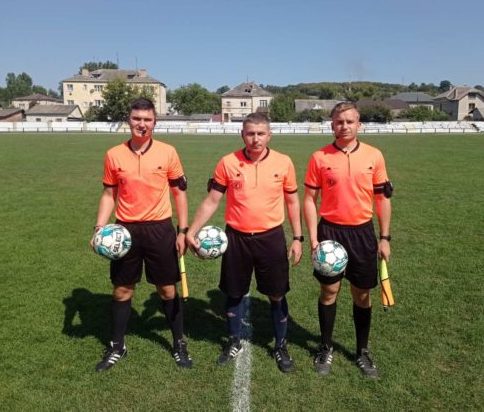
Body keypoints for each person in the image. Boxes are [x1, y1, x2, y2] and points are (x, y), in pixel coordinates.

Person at [185, 112, 303, 373]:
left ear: (269, 135)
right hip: (236, 238)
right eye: (250, 133)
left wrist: (297, 238)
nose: (255, 139)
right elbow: (212, 200)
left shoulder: (284, 162)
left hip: (271, 237)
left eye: (261, 134)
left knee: (276, 293)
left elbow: (293, 202)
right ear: (242, 135)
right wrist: (192, 230)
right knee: (234, 292)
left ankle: (281, 345)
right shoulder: (228, 162)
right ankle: (233, 340)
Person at [91, 97, 192, 372]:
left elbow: (179, 194)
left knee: (167, 289)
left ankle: (179, 343)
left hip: (160, 229)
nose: (142, 124)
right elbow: (109, 194)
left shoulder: (168, 152)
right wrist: (99, 228)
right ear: (129, 121)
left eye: (147, 119)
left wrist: (182, 231)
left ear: (155, 122)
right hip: (125, 232)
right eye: (137, 119)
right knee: (122, 289)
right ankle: (117, 346)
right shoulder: (114, 154)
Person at [303, 102, 392, 378]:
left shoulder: (374, 155)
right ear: (332, 125)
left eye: (350, 121)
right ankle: (325, 347)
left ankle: (362, 351)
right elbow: (309, 199)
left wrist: (384, 237)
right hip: (330, 233)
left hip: (362, 233)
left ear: (359, 124)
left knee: (362, 294)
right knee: (329, 291)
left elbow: (382, 199)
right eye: (339, 122)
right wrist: (313, 239)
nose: (344, 126)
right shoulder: (319, 157)